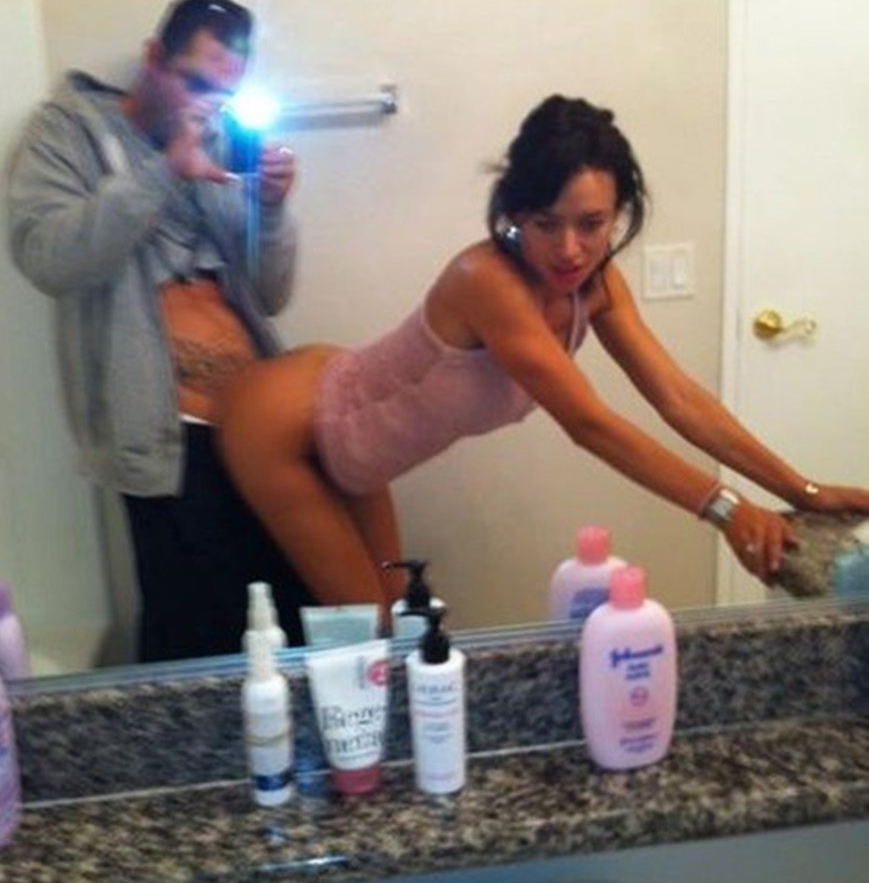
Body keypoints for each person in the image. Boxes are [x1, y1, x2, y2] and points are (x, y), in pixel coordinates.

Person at [214, 94, 869, 613]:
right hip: (284, 427)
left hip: (355, 448)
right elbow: (589, 424)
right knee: (377, 635)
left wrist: (800, 490)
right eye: (545, 224)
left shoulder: (598, 285)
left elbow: (677, 398)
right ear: (514, 214)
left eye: (591, 224)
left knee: (400, 623)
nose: (569, 250)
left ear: (619, 213)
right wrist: (726, 509)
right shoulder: (487, 282)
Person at [8, 0, 314, 660]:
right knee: (195, 630)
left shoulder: (220, 140)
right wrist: (166, 170)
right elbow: (47, 258)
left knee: (289, 612)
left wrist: (271, 209)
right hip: (165, 437)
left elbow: (268, 294)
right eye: (193, 82)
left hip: (256, 422)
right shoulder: (67, 132)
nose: (205, 105)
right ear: (152, 57)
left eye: (222, 93)